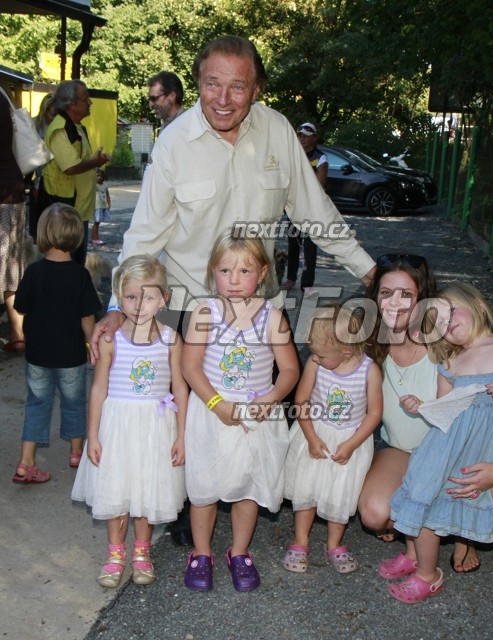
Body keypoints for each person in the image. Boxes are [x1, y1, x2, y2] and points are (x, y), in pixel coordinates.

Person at [89, 35, 375, 546]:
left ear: (257, 88)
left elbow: (315, 212)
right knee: (191, 415)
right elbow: (144, 234)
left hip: (258, 310)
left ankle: (247, 498)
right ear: (197, 83)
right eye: (211, 84)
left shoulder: (278, 132)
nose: (222, 99)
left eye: (237, 87)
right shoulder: (174, 143)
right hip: (188, 307)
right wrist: (118, 305)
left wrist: (369, 270)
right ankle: (188, 505)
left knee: (253, 413)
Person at [385, 282, 493, 603]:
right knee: (421, 498)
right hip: (443, 449)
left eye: (450, 313)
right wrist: (421, 406)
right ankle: (416, 558)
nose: (447, 324)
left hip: (476, 456)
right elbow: (443, 410)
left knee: (437, 506)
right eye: (439, 324)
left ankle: (428, 576)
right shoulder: (450, 363)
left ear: (475, 303)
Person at [357, 254, 493, 575]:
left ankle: (463, 533)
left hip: (458, 452)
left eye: (407, 294)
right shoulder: (367, 345)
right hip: (402, 449)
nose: (395, 303)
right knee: (375, 513)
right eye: (386, 293)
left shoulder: (448, 344)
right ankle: (418, 524)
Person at [181, 228, 299, 592]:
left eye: (244, 271)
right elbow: (190, 367)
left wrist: (272, 398)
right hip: (212, 412)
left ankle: (240, 551)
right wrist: (217, 404)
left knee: (248, 487)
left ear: (262, 273)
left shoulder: (272, 317)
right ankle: (202, 553)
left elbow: (290, 369)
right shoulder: (204, 313)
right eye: (225, 270)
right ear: (212, 272)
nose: (234, 280)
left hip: (255, 417)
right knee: (204, 486)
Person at [71, 254, 188, 588]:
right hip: (117, 427)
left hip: (155, 428)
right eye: (131, 296)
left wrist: (181, 436)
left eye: (148, 297)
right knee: (116, 488)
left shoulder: (171, 338)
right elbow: (98, 389)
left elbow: (180, 388)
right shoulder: (112, 339)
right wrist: (93, 435)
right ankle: (115, 554)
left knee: (146, 488)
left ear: (163, 299)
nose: (139, 305)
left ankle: (141, 551)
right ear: (119, 296)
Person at [283, 305, 382, 574]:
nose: (314, 358)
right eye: (313, 352)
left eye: (320, 354)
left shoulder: (369, 371)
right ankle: (300, 540)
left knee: (340, 491)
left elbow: (374, 413)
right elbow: (301, 401)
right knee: (307, 488)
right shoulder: (316, 364)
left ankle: (334, 544)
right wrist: (311, 437)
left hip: (350, 440)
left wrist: (352, 444)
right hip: (315, 433)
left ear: (346, 351)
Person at [12, 204, 101, 483]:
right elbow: (87, 317)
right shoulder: (80, 275)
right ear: (76, 236)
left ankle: (26, 461)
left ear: (43, 233)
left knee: (37, 404)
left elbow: (21, 306)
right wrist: (93, 346)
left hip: (37, 355)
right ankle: (75, 452)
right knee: (74, 403)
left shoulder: (33, 272)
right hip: (71, 356)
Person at [37, 80, 111, 266]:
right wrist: (94, 162)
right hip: (65, 212)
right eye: (85, 98)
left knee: (75, 265)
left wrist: (94, 162)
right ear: (71, 104)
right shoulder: (60, 128)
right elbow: (70, 167)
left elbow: (79, 160)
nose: (90, 102)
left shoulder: (76, 127)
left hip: (78, 209)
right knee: (64, 267)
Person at [281, 122, 328, 292]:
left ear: (314, 138)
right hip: (293, 206)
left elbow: (319, 184)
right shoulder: (293, 155)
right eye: (300, 135)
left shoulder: (320, 158)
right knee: (293, 243)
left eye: (307, 136)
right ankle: (290, 278)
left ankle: (307, 284)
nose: (302, 139)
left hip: (311, 208)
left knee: (309, 246)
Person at [0, 86, 27, 354]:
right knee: (11, 268)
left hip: (3, 194)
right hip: (12, 190)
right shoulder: (2, 95)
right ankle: (18, 334)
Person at [29, 92, 56, 241]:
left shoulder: (59, 127)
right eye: (52, 114)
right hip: (39, 179)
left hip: (53, 182)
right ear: (44, 111)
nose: (54, 118)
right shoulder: (34, 125)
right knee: (38, 226)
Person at [90, 168, 111, 246]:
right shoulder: (95, 185)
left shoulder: (105, 185)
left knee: (98, 223)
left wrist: (109, 204)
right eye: (97, 176)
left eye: (101, 176)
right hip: (97, 206)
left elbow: (107, 195)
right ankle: (94, 239)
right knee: (96, 223)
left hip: (102, 206)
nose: (99, 177)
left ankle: (96, 238)